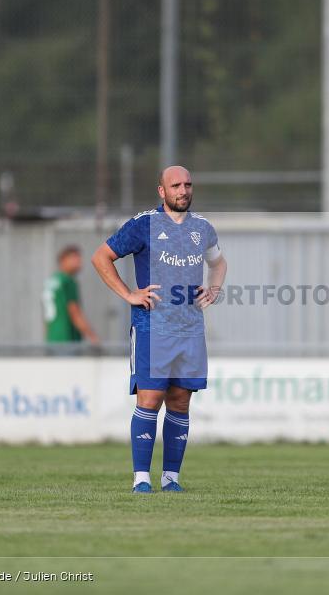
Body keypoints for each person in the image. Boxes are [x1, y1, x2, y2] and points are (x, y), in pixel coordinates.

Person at [92, 166, 227, 493]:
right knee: (150, 398)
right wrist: (128, 294)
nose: (183, 190)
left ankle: (171, 480)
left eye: (188, 184)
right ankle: (141, 479)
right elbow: (101, 257)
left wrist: (215, 288)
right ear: (162, 191)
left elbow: (218, 262)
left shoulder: (203, 228)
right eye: (175, 185)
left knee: (180, 400)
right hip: (153, 326)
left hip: (190, 328)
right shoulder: (144, 225)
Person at [42, 245, 100, 346]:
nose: (79, 262)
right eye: (74, 258)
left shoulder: (51, 281)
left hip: (53, 337)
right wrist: (92, 336)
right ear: (63, 260)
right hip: (67, 337)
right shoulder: (67, 281)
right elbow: (74, 312)